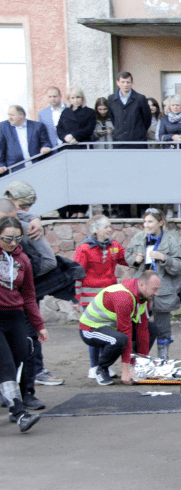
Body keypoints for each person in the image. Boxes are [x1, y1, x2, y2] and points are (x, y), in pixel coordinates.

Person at [0, 216, 46, 432]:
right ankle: (20, 413)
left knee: (21, 358)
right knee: (6, 364)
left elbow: (28, 295)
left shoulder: (23, 260)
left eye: (17, 238)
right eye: (7, 238)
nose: (12, 243)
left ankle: (11, 403)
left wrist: (39, 325)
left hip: (15, 315)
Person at [79, 270, 161, 386]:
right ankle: (101, 369)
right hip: (90, 329)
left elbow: (142, 330)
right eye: (154, 289)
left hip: (111, 328)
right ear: (142, 284)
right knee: (120, 339)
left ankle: (136, 366)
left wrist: (143, 365)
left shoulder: (144, 297)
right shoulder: (124, 297)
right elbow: (125, 332)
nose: (157, 293)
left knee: (151, 328)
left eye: (158, 289)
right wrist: (125, 370)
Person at [125, 208, 181, 360]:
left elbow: (178, 266)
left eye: (150, 221)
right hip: (141, 290)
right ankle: (137, 359)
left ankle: (163, 359)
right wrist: (134, 260)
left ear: (160, 222)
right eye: (145, 221)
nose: (146, 225)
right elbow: (128, 256)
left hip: (162, 291)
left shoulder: (171, 240)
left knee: (162, 327)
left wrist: (164, 258)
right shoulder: (138, 238)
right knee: (137, 325)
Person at [73, 215, 127, 378]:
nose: (110, 229)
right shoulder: (84, 249)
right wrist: (75, 298)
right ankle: (94, 366)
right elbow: (76, 274)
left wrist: (138, 258)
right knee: (94, 330)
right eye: (106, 226)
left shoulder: (115, 246)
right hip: (89, 298)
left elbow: (126, 260)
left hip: (109, 297)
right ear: (95, 230)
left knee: (108, 331)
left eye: (110, 226)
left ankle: (104, 365)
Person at [55, 87, 95, 218]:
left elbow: (89, 129)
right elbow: (59, 128)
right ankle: (72, 210)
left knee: (83, 181)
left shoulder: (89, 112)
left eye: (78, 97)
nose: (76, 100)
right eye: (73, 98)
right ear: (68, 99)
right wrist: (66, 137)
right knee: (70, 181)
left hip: (82, 149)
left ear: (82, 98)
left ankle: (82, 210)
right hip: (69, 150)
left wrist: (74, 136)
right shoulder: (65, 112)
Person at [0, 105, 52, 174]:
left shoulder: (38, 126)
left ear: (21, 115)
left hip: (37, 166)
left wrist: (45, 147)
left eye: (12, 115)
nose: (10, 118)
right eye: (9, 115)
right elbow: (1, 149)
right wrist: (1, 165)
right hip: (15, 170)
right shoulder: (3, 127)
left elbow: (46, 143)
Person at [106, 72, 152, 149]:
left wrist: (139, 132)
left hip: (137, 142)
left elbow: (147, 119)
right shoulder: (111, 99)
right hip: (119, 141)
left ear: (132, 82)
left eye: (128, 82)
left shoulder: (140, 98)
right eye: (123, 82)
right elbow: (113, 118)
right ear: (117, 82)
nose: (125, 85)